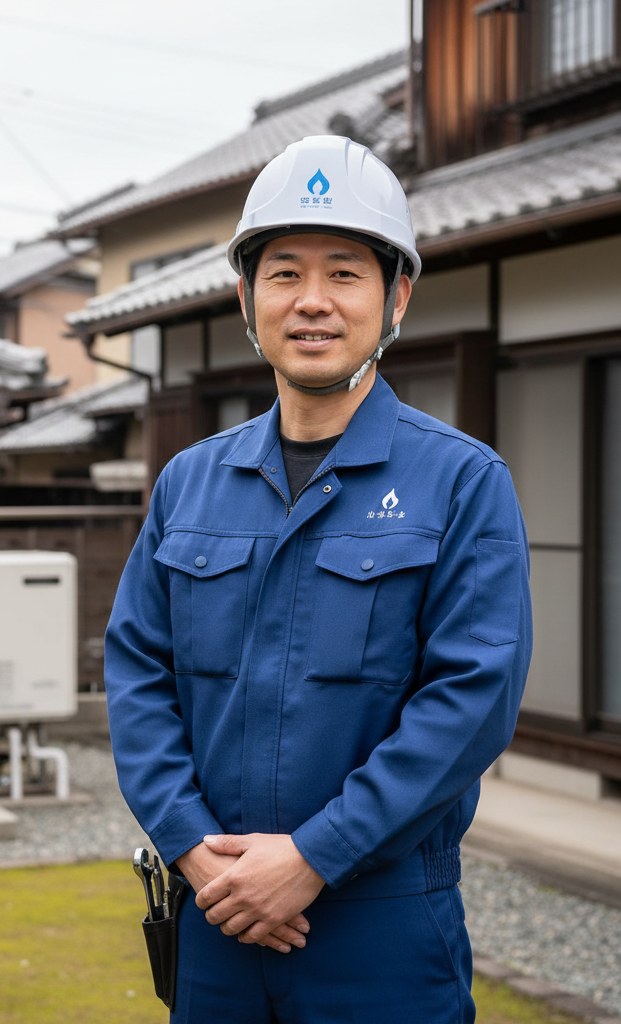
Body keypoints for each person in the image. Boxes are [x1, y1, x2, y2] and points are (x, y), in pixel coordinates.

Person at [104, 135, 532, 1023]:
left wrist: (313, 856)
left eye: (345, 273)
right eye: (284, 273)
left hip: (379, 926)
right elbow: (136, 672)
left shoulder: (461, 480)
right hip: (213, 912)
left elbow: (473, 699)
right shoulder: (190, 482)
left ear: (397, 295)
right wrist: (188, 846)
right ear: (245, 297)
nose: (312, 302)